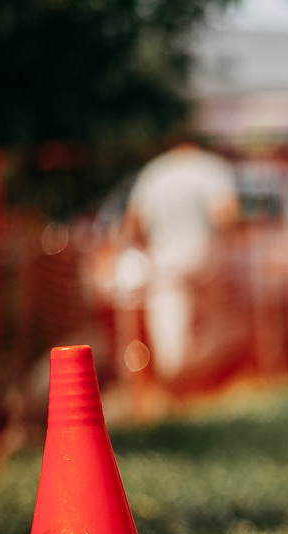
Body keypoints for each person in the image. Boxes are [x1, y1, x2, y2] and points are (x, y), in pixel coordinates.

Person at [124, 134, 238, 381]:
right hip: (205, 259)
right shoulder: (211, 167)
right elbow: (225, 214)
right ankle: (208, 376)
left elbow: (134, 222)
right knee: (213, 321)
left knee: (171, 328)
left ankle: (178, 380)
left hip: (165, 264)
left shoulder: (154, 171)